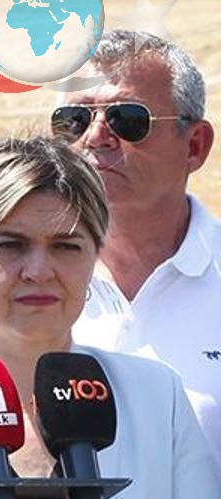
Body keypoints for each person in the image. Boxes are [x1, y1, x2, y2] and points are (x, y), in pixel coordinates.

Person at [0, 134, 221, 499]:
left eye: (66, 246)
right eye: (10, 245)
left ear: (94, 257)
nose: (39, 271)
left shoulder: (155, 397)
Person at [49, 29, 220, 468]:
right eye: (74, 120)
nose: (96, 137)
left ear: (195, 146)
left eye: (127, 119)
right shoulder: (24, 281)